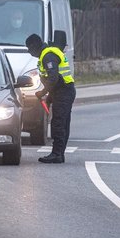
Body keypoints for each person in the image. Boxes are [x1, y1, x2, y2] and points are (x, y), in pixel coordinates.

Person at [26, 33, 76, 164]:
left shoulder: (48, 56)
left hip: (63, 92)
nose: (29, 52)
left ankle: (57, 154)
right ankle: (60, 153)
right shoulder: (47, 54)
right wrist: (49, 97)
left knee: (58, 123)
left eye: (29, 49)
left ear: (34, 46)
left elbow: (53, 78)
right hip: (63, 91)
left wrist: (42, 92)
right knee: (62, 123)